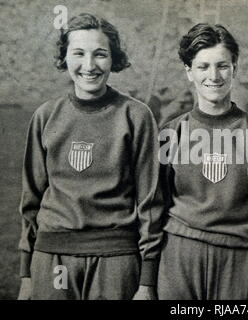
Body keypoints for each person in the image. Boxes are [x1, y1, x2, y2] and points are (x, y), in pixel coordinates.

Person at [17, 13, 163, 300]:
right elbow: (30, 200)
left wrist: (146, 281)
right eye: (78, 53)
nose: (89, 65)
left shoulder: (135, 115)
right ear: (65, 58)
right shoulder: (46, 116)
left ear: (113, 58)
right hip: (53, 256)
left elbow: (150, 203)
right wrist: (26, 274)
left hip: (116, 257)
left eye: (100, 54)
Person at [156, 23, 248, 300]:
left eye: (222, 66)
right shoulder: (171, 132)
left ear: (235, 68)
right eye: (203, 67)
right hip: (178, 256)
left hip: (236, 258)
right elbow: (156, 208)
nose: (213, 76)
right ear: (189, 72)